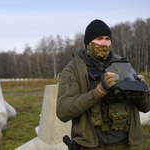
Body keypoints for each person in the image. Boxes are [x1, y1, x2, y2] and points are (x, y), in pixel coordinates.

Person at [56, 19, 150, 150]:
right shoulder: (73, 69)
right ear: (89, 42)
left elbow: (146, 107)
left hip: (122, 145)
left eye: (107, 38)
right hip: (92, 146)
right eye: (99, 39)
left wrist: (141, 91)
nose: (104, 43)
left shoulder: (122, 64)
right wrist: (98, 92)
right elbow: (62, 111)